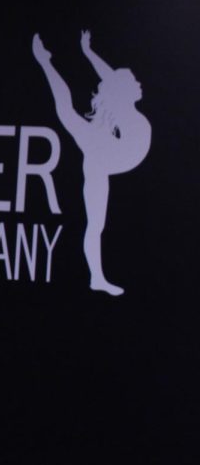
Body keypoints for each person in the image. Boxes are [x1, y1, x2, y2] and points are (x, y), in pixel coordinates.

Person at [31, 31, 151, 296]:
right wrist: (52, 61)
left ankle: (45, 62)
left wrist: (88, 52)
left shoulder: (124, 110)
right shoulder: (117, 115)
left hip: (110, 151)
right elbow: (108, 81)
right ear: (124, 90)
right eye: (134, 81)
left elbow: (110, 77)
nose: (139, 83)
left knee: (69, 113)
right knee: (95, 225)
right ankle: (96, 278)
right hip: (103, 154)